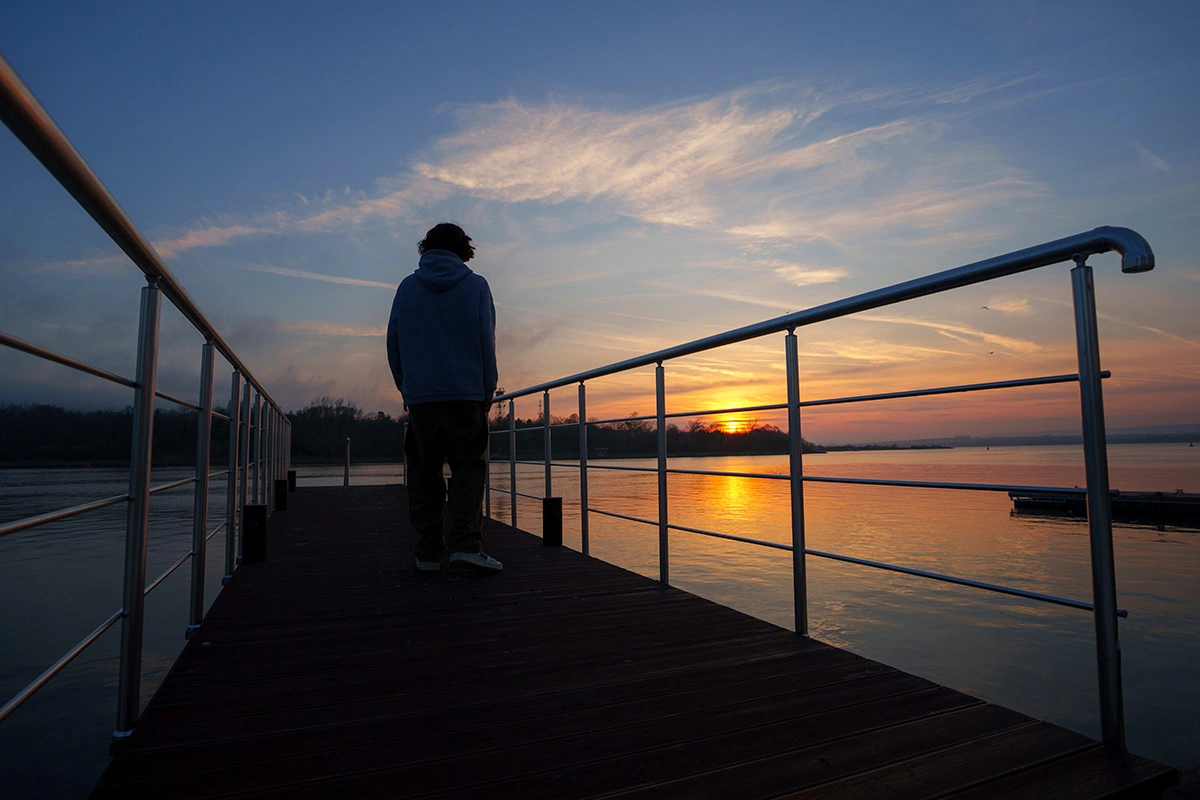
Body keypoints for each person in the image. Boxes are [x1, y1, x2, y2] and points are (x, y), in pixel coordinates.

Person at [386, 223, 502, 574]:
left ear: (426, 248)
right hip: (465, 395)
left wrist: (406, 386)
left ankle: (427, 552)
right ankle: (466, 546)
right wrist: (487, 390)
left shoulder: (407, 288)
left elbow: (393, 341)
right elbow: (486, 341)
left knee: (423, 473)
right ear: (464, 250)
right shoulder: (476, 286)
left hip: (422, 397)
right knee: (468, 470)